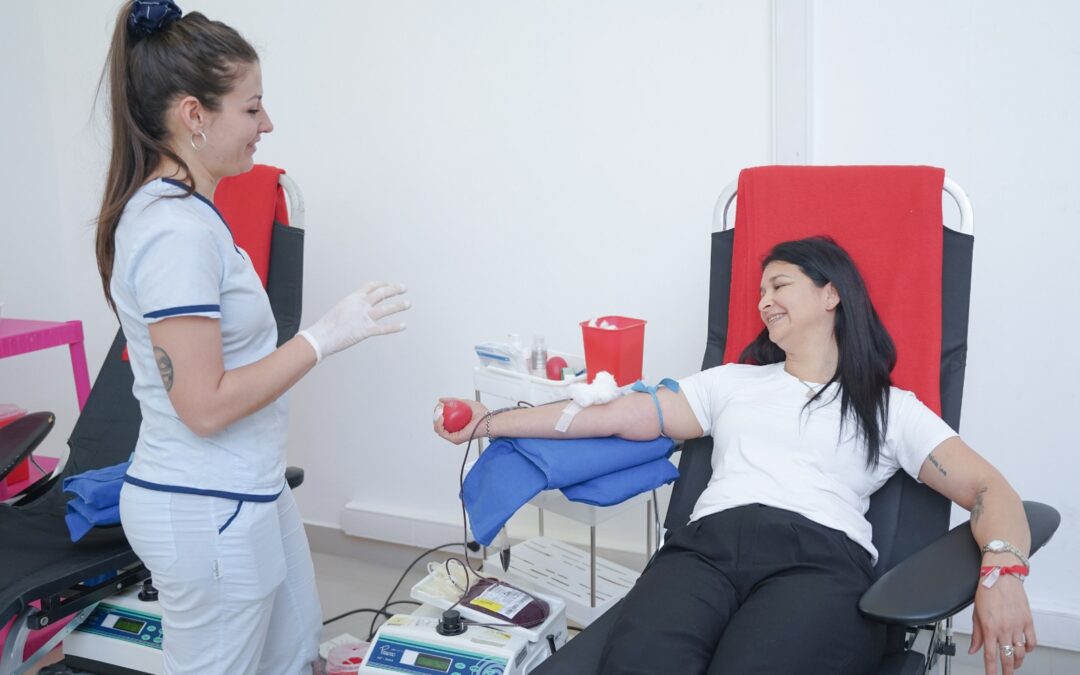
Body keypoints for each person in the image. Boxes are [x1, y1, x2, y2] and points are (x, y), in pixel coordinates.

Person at [435, 237, 1035, 675]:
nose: (765, 302)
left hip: (818, 561)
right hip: (704, 551)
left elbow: (989, 490)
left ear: (832, 294)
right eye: (759, 293)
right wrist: (486, 421)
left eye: (780, 285)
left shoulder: (889, 407)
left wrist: (1003, 572)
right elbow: (612, 414)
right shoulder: (731, 383)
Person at [94, 2, 409, 673]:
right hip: (204, 509)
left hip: (247, 491)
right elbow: (203, 406)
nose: (267, 124)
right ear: (193, 116)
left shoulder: (191, 216)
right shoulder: (174, 232)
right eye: (251, 107)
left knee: (295, 651)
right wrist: (325, 336)